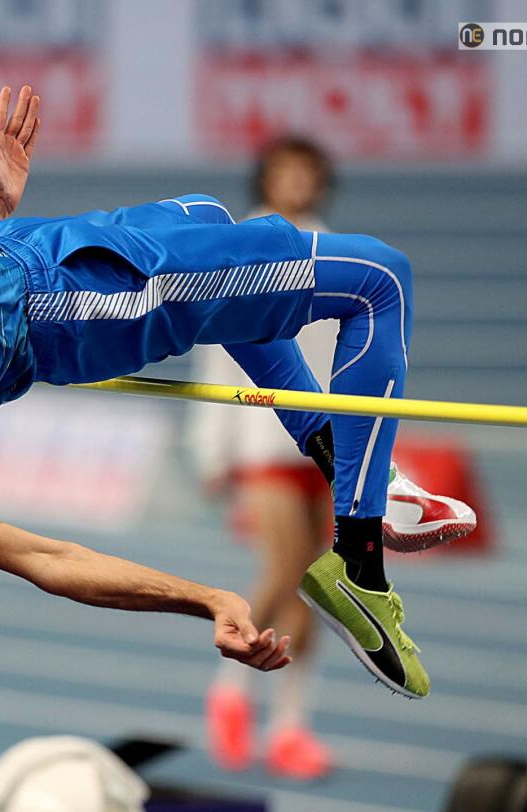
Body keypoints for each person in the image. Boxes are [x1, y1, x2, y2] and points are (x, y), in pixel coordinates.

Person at [0, 85, 471, 700]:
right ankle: (362, 564)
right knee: (376, 281)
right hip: (74, 301)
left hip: (21, 249)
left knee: (209, 213)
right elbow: (45, 557)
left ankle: (351, 465)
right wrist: (205, 599)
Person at [192, 138, 475, 776]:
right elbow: (216, 352)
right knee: (290, 571)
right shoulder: (233, 247)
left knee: (321, 586)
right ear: (265, 178)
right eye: (285, 171)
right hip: (265, 440)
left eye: (308, 172)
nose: (297, 182)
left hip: (333, 445)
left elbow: (366, 351)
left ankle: (290, 726)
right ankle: (230, 695)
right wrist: (213, 451)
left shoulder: (338, 252)